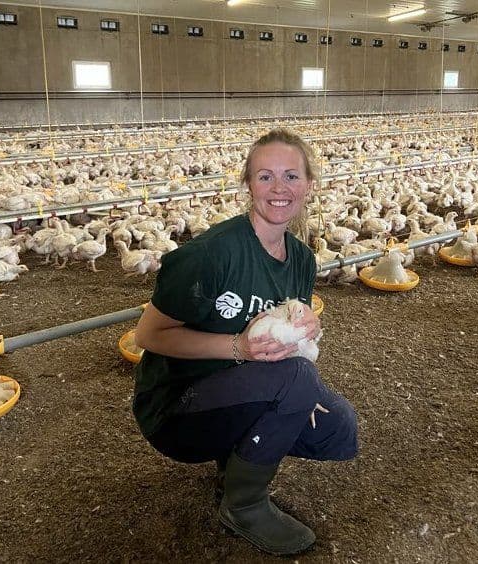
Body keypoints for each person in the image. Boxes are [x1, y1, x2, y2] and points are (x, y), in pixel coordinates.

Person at [132, 129, 358, 556]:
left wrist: (305, 324)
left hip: (237, 391)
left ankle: (234, 458)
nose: (279, 188)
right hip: (176, 407)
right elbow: (148, 335)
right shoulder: (212, 254)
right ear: (248, 184)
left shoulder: (303, 260)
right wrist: (238, 347)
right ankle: (244, 504)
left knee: (338, 427)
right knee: (295, 379)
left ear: (309, 184)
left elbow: (285, 331)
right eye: (265, 176)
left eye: (291, 176)